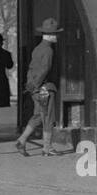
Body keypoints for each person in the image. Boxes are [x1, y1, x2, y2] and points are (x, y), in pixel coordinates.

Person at [15, 17, 71, 157]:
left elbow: (32, 68)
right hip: (45, 88)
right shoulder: (49, 51)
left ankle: (22, 140)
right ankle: (47, 148)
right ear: (51, 35)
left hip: (35, 88)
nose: (57, 36)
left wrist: (31, 86)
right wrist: (37, 85)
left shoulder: (37, 49)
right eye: (56, 34)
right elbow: (44, 70)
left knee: (38, 116)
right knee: (48, 117)